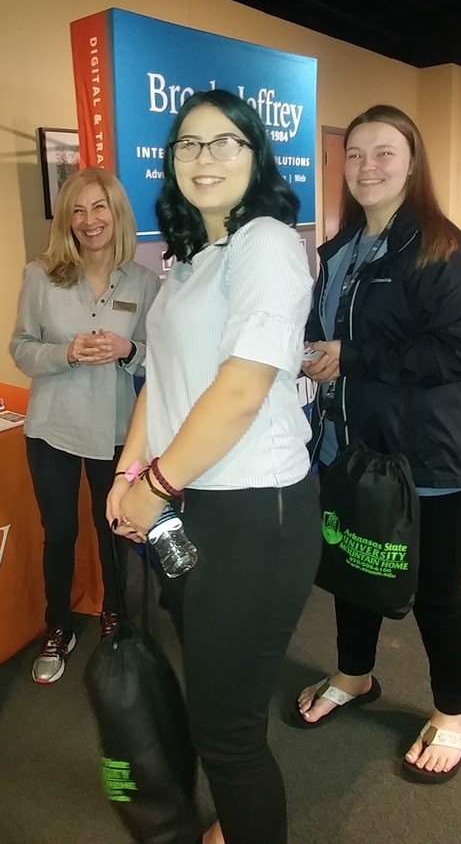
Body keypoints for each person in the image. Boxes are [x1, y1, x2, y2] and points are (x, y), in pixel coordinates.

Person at [107, 89, 321, 844]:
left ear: (255, 154)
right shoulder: (191, 255)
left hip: (251, 511)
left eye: (224, 141)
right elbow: (162, 382)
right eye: (188, 144)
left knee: (225, 733)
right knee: (212, 693)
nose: (205, 158)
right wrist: (127, 475)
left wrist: (156, 485)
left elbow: (238, 392)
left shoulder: (265, 241)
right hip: (189, 501)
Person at [294, 104, 461, 783]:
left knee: (435, 591)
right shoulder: (339, 251)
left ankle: (454, 711)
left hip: (432, 460)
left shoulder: (443, 248)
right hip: (353, 452)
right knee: (352, 573)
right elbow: (340, 340)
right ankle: (353, 676)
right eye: (354, 154)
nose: (366, 167)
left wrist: (351, 356)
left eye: (383, 153)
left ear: (411, 162)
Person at [10, 167, 159, 683]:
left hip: (116, 431)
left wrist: (128, 350)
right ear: (66, 220)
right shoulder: (40, 274)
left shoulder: (142, 282)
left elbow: (156, 356)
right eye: (77, 209)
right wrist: (66, 352)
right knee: (60, 532)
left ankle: (116, 618)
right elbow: (20, 348)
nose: (89, 220)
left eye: (99, 208)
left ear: (116, 214)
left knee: (113, 531)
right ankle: (58, 626)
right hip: (52, 427)